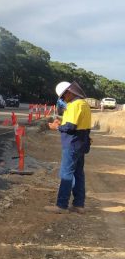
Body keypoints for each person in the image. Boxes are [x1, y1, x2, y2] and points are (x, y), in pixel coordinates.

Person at [46, 81, 91, 214]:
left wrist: (56, 127)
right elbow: (76, 123)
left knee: (66, 173)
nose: (63, 99)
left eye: (63, 96)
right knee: (78, 173)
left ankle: (61, 205)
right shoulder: (84, 104)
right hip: (81, 142)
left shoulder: (74, 105)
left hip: (72, 143)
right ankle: (78, 205)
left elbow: (70, 127)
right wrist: (61, 122)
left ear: (69, 92)